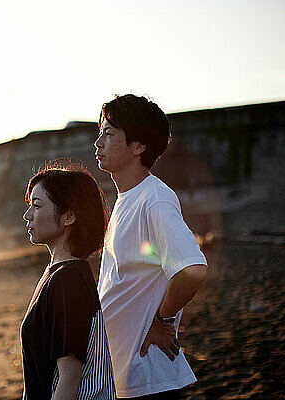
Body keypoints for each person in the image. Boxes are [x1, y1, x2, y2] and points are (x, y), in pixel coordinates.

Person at [94, 94, 208, 399]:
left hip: (148, 378)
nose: (98, 142)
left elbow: (192, 270)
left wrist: (163, 321)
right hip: (123, 376)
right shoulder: (127, 198)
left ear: (138, 146)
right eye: (99, 133)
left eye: (108, 133)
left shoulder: (153, 199)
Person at [20, 161, 117, 400]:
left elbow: (70, 378)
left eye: (37, 205)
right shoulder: (58, 272)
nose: (27, 215)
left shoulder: (67, 281)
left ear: (69, 216)